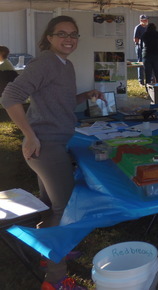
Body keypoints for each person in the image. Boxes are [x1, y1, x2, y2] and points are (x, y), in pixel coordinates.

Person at [1, 15, 105, 290]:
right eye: (62, 34)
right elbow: (10, 97)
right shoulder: (45, 62)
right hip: (45, 146)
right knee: (66, 210)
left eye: (73, 34)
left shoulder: (65, 64)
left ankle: (47, 253)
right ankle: (55, 280)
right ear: (49, 37)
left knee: (51, 206)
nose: (68, 38)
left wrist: (86, 95)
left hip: (57, 142)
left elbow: (62, 100)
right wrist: (30, 134)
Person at [133, 14, 149, 85]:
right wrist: (141, 42)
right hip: (139, 48)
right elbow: (135, 39)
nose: (146, 21)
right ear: (141, 20)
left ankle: (149, 79)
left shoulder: (148, 28)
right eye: (144, 20)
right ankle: (141, 80)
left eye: (146, 20)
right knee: (140, 62)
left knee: (148, 62)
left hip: (147, 48)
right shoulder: (138, 28)